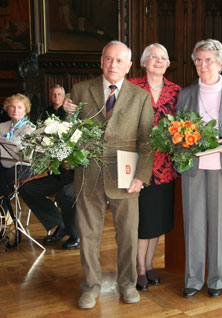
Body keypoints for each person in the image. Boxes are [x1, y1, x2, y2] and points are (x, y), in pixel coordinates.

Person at [63, 40, 154, 309]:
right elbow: (69, 132)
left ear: (128, 65)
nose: (113, 64)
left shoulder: (141, 96)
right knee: (88, 235)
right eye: (108, 59)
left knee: (127, 235)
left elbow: (147, 140)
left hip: (126, 177)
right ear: (101, 61)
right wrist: (67, 118)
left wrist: (142, 175)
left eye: (119, 60)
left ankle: (126, 283)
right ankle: (91, 286)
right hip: (88, 175)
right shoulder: (80, 90)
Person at [177, 39, 222, 298]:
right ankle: (193, 279)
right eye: (198, 60)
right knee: (193, 224)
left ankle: (216, 279)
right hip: (193, 168)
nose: (202, 64)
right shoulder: (185, 95)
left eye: (208, 60)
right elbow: (175, 132)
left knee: (219, 224)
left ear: (220, 63)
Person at [127, 43, 181, 290]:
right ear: (143, 61)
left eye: (163, 58)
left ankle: (149, 266)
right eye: (153, 57)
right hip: (139, 165)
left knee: (157, 221)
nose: (159, 61)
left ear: (168, 64)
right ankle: (138, 268)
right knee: (142, 221)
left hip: (166, 166)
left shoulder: (177, 91)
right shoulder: (131, 88)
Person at [19, 166, 79, 250]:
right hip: (63, 175)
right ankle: (61, 223)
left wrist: (74, 165)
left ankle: (76, 233)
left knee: (66, 194)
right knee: (26, 189)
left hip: (84, 178)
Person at [0, 94, 35, 200]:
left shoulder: (30, 128)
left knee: (3, 177)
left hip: (22, 166)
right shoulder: (2, 126)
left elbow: (29, 155)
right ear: (7, 109)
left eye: (19, 107)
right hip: (3, 162)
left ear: (26, 110)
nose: (15, 110)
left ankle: (5, 206)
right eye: (12, 106)